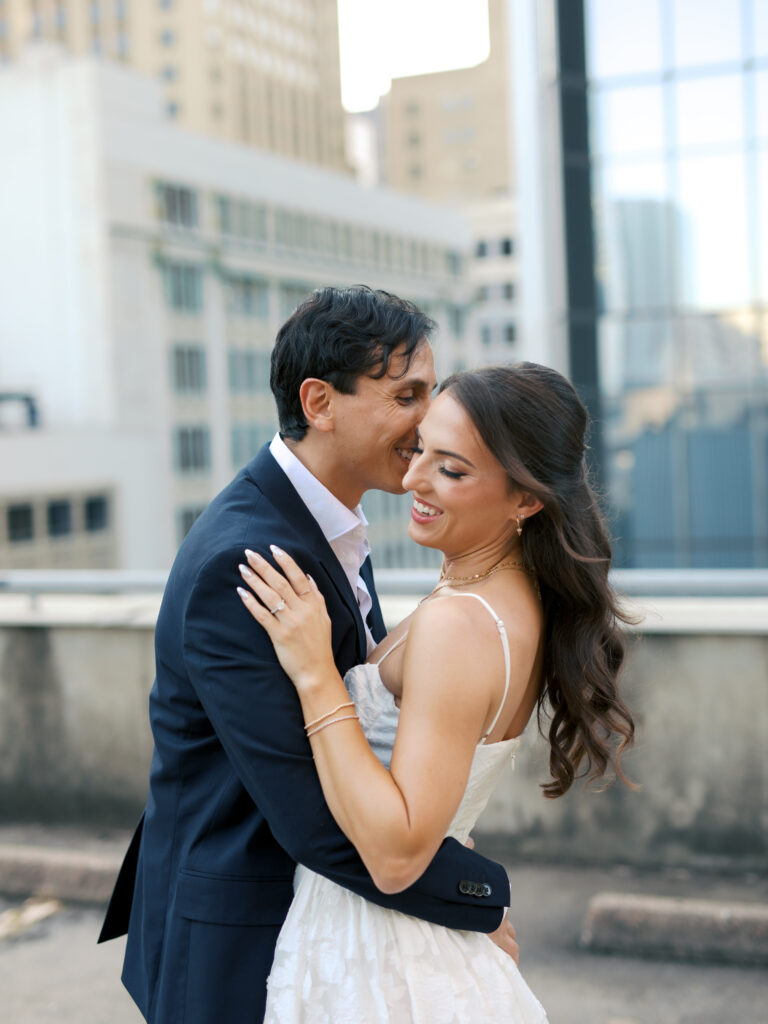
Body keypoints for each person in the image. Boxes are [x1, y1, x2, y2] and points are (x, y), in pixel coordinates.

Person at [98, 287, 517, 1024]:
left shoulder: (333, 524)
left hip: (327, 921)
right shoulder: (248, 562)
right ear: (320, 402)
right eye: (407, 395)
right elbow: (309, 811)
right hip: (237, 943)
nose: (432, 421)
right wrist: (476, 894)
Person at [237, 362, 636, 1023]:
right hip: (404, 936)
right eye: (421, 448)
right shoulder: (494, 595)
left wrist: (313, 672)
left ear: (525, 500)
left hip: (381, 955)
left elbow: (395, 856)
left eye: (452, 469)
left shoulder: (462, 622)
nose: (415, 479)